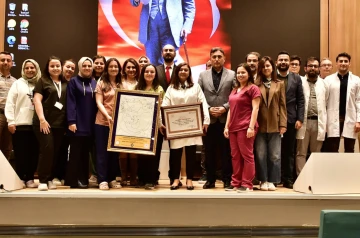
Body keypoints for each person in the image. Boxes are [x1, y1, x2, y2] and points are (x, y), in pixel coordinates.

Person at [162, 62, 210, 190]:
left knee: (190, 153)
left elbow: (203, 103)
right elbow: (164, 105)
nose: (183, 72)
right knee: (175, 154)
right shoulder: (171, 88)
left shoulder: (195, 87)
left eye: (186, 70)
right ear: (177, 72)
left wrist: (206, 121)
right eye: (181, 70)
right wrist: (163, 121)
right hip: (175, 127)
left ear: (189, 73)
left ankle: (189, 179)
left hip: (192, 127)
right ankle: (176, 179)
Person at [198, 47, 234, 189]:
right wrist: (208, 109)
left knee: (226, 152)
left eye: (219, 56)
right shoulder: (202, 75)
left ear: (224, 59)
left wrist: (225, 107)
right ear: (210, 59)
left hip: (226, 119)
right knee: (209, 152)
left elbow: (235, 95)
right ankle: (210, 180)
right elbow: (199, 95)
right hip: (209, 119)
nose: (217, 59)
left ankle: (227, 179)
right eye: (214, 57)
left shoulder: (232, 74)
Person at [223, 63, 260, 192]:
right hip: (233, 128)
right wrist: (226, 127)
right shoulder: (234, 90)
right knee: (235, 156)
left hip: (245, 127)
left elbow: (256, 108)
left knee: (247, 155)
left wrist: (251, 127)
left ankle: (247, 184)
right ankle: (236, 183)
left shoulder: (253, 88)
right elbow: (230, 110)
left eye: (243, 72)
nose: (240, 75)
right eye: (238, 73)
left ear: (249, 74)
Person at [5, 59, 41, 188]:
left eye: (32, 68)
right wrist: (11, 121)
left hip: (36, 125)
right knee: (21, 153)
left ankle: (30, 178)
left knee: (33, 153)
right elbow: (10, 103)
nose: (30, 70)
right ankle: (20, 178)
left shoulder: (40, 83)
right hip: (20, 125)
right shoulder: (17, 84)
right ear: (23, 70)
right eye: (27, 68)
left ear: (36, 69)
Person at [33, 56, 67, 191]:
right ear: (48, 68)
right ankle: (43, 179)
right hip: (44, 122)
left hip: (59, 123)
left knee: (55, 152)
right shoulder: (42, 81)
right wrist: (42, 119)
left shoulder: (65, 82)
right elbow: (37, 100)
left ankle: (51, 179)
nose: (55, 68)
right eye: (52, 66)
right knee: (47, 149)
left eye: (57, 65)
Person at [255, 56, 287, 191]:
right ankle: (263, 180)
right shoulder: (256, 84)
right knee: (260, 154)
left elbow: (282, 105)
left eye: (268, 66)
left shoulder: (279, 83)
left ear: (272, 67)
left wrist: (283, 124)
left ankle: (273, 180)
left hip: (275, 123)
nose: (266, 68)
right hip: (259, 123)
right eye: (263, 66)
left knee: (275, 154)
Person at [65, 57, 97, 188]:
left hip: (91, 124)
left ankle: (84, 180)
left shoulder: (95, 83)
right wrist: (71, 121)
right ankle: (72, 180)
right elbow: (70, 102)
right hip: (77, 123)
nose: (87, 68)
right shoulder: (73, 82)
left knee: (85, 154)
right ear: (80, 67)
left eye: (89, 66)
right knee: (75, 153)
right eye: (84, 65)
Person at [131, 0, 196, 65]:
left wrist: (187, 25)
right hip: (149, 26)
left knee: (171, 59)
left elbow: (189, 4)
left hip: (170, 27)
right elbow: (134, 2)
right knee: (152, 62)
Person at [276, 51, 304, 189]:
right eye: (281, 60)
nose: (283, 62)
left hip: (291, 119)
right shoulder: (271, 76)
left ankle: (288, 179)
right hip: (273, 120)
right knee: (275, 151)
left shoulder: (296, 78)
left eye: (285, 60)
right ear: (276, 62)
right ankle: (276, 178)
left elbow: (300, 99)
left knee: (289, 151)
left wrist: (300, 118)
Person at [296, 57, 329, 175]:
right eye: (310, 66)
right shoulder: (299, 82)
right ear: (305, 68)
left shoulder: (324, 84)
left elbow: (327, 101)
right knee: (301, 153)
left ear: (319, 69)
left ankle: (314, 178)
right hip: (303, 122)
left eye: (315, 66)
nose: (313, 68)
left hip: (318, 122)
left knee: (316, 153)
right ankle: (301, 178)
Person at [95, 58, 122, 190]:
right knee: (102, 152)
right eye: (111, 66)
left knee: (114, 153)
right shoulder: (101, 82)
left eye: (116, 67)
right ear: (107, 68)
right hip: (102, 122)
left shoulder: (121, 83)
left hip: (118, 124)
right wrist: (107, 116)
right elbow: (99, 102)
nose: (113, 69)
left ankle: (112, 178)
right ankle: (102, 179)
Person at [136, 63, 164, 190]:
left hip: (155, 127)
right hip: (141, 127)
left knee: (154, 154)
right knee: (142, 153)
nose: (149, 74)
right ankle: (141, 178)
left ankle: (151, 179)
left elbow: (161, 110)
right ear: (143, 73)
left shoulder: (159, 89)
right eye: (147, 71)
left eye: (152, 72)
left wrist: (160, 125)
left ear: (155, 74)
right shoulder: (138, 88)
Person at [325, 52, 360, 153]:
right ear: (336, 63)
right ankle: (333, 169)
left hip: (350, 119)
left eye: (346, 61)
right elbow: (325, 101)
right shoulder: (328, 80)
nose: (343, 63)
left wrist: (358, 121)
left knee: (349, 149)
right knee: (332, 149)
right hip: (332, 119)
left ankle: (348, 169)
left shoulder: (356, 80)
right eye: (341, 61)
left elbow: (359, 101)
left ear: (349, 64)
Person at [52, 59, 77, 187]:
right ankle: (54, 175)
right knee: (57, 149)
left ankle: (63, 175)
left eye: (73, 68)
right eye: (68, 67)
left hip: (70, 122)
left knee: (67, 150)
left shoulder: (73, 83)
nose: (70, 70)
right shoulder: (56, 83)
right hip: (57, 122)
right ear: (62, 67)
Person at [119, 58, 140, 186]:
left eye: (133, 67)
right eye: (128, 67)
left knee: (133, 149)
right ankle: (122, 177)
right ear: (124, 69)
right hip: (121, 119)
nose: (131, 70)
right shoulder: (119, 82)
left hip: (136, 120)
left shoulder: (140, 83)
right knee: (122, 148)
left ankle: (133, 178)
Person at [0, 51, 16, 161]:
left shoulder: (16, 82)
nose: (5, 62)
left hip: (10, 117)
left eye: (8, 60)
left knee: (7, 147)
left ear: (12, 63)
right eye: (2, 60)